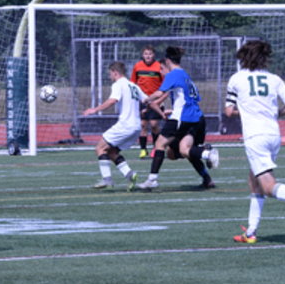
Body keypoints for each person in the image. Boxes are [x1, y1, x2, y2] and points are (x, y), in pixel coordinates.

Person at [225, 40, 285, 243]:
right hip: (273, 134)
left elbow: (229, 111)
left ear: (244, 58)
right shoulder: (274, 79)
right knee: (254, 181)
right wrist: (274, 113)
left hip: (255, 136)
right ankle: (251, 232)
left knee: (267, 186)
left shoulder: (236, 79)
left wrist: (247, 111)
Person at [138, 46, 219, 191]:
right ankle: (206, 173)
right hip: (195, 118)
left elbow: (159, 93)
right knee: (183, 150)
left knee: (160, 144)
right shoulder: (185, 75)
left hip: (182, 117)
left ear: (167, 61)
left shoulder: (173, 74)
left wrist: (146, 99)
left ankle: (152, 180)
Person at [83, 61, 147, 190]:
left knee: (100, 148)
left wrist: (95, 110)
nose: (110, 76)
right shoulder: (134, 86)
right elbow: (147, 100)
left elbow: (113, 100)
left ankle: (107, 180)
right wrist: (161, 111)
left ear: (115, 72)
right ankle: (130, 175)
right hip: (136, 127)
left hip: (125, 125)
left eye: (110, 74)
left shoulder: (118, 84)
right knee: (111, 151)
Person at [130, 46, 164, 158]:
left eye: (150, 54)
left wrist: (159, 98)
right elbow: (133, 83)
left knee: (154, 125)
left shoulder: (159, 66)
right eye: (146, 54)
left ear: (154, 55)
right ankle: (143, 149)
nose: (148, 56)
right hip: (142, 100)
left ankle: (155, 147)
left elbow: (164, 84)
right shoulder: (137, 66)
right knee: (143, 125)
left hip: (155, 100)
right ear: (142, 55)